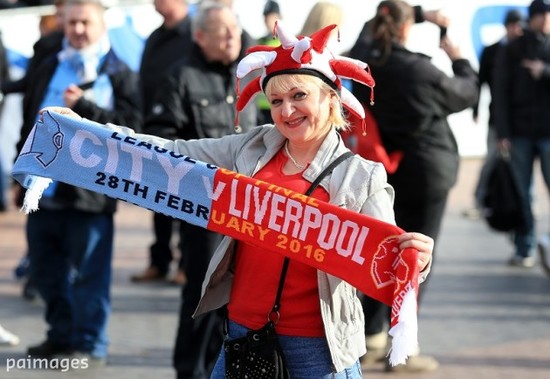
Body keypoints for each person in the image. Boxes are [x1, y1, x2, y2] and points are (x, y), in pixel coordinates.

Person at [42, 19, 435, 378]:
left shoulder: (361, 175)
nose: (287, 110)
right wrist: (85, 133)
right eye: (276, 101)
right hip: (243, 336)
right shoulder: (251, 146)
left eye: (299, 95)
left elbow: (385, 260)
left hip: (320, 349)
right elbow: (172, 152)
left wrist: (417, 260)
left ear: (331, 99)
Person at [350, 0, 478, 373]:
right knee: (415, 261)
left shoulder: (367, 63)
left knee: (386, 252)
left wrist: (415, 14)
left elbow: (366, 34)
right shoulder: (420, 70)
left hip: (392, 172)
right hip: (428, 172)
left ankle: (373, 336)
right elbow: (465, 92)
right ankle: (401, 349)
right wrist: (458, 59)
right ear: (406, 28)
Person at [16, 0, 141, 365]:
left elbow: (132, 126)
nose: (78, 30)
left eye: (85, 22)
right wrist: (18, 173)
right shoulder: (48, 66)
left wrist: (85, 105)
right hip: (42, 190)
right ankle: (60, 336)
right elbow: (29, 123)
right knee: (45, 269)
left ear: (102, 24)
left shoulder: (119, 72)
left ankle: (89, 344)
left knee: (89, 273)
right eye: (71, 23)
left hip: (90, 192)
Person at [142, 2, 256, 378]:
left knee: (241, 296)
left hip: (252, 208)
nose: (231, 37)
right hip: (204, 208)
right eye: (222, 31)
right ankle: (190, 370)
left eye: (235, 30)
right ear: (200, 36)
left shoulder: (253, 75)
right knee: (203, 295)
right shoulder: (179, 76)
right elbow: (162, 141)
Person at [131, 0, 193, 285]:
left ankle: (186, 263)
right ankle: (159, 260)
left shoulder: (193, 33)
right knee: (157, 198)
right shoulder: (156, 37)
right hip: (155, 127)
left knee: (186, 200)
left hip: (186, 130)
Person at [494, 0, 550, 269]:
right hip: (520, 133)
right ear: (534, 17)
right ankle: (525, 246)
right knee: (523, 194)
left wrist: (545, 73)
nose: (547, 19)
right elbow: (500, 91)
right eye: (543, 14)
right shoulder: (514, 47)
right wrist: (502, 131)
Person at [463, 9, 525, 220]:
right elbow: (480, 83)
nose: (518, 29)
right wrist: (475, 109)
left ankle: (524, 202)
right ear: (507, 26)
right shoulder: (492, 51)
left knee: (522, 164)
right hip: (497, 118)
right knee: (491, 160)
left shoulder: (526, 49)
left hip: (521, 121)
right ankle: (479, 202)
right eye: (514, 24)